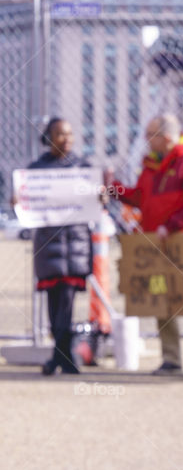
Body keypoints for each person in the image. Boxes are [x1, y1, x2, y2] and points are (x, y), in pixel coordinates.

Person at [110, 114, 183, 378]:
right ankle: (171, 359)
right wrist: (115, 190)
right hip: (155, 247)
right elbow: (140, 198)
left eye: (150, 135)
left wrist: (172, 225)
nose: (146, 141)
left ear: (165, 137)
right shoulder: (151, 167)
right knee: (160, 300)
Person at [28, 118, 92, 375]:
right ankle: (62, 356)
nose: (65, 139)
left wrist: (100, 194)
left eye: (68, 134)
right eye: (59, 134)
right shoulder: (36, 169)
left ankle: (61, 356)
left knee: (66, 301)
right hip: (49, 247)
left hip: (75, 245)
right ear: (49, 137)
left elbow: (95, 200)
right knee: (55, 305)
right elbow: (27, 201)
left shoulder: (83, 167)